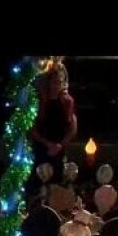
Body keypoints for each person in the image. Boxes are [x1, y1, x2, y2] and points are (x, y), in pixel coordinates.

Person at [29, 63, 78, 197]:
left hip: (58, 148)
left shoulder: (67, 102)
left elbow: (72, 127)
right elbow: (33, 129)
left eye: (59, 82)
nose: (56, 85)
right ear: (49, 82)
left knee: (57, 182)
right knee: (40, 182)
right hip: (42, 147)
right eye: (54, 82)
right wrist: (47, 144)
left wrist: (60, 145)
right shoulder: (40, 101)